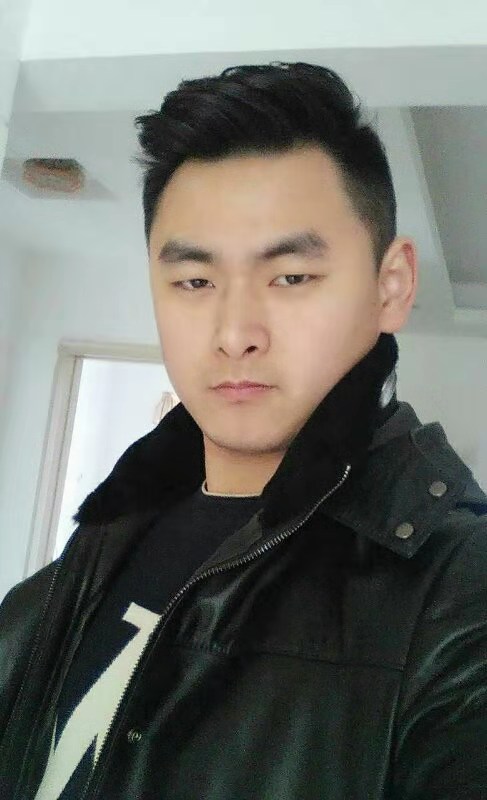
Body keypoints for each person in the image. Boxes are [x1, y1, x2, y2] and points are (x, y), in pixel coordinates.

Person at [0, 62, 486, 800]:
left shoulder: (458, 588)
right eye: (194, 282)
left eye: (290, 277)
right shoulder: (100, 541)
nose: (234, 334)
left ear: (391, 286)